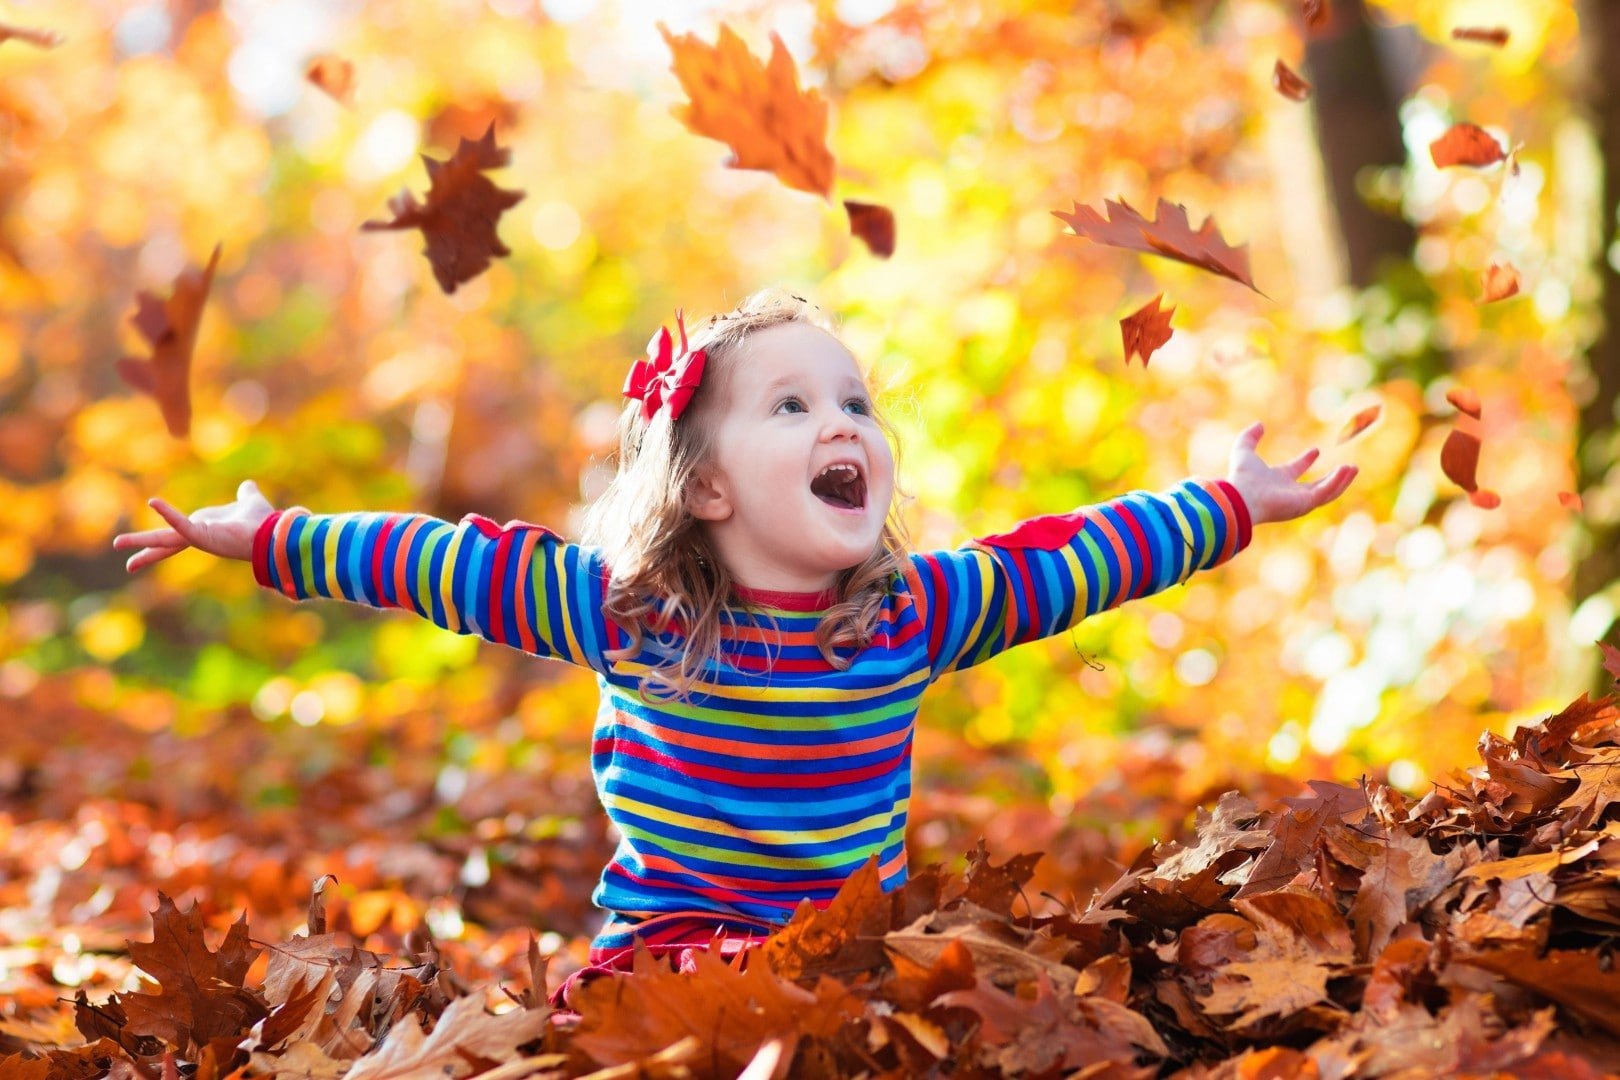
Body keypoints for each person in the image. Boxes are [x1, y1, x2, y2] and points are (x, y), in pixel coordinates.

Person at [112, 287, 1357, 1006]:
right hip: (661, 953)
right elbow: (430, 560)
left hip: (851, 955)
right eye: (796, 405)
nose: (846, 426)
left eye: (858, 403)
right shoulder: (626, 612)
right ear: (704, 487)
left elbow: (1085, 556)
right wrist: (272, 537)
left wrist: (1229, 503)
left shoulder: (913, 615)